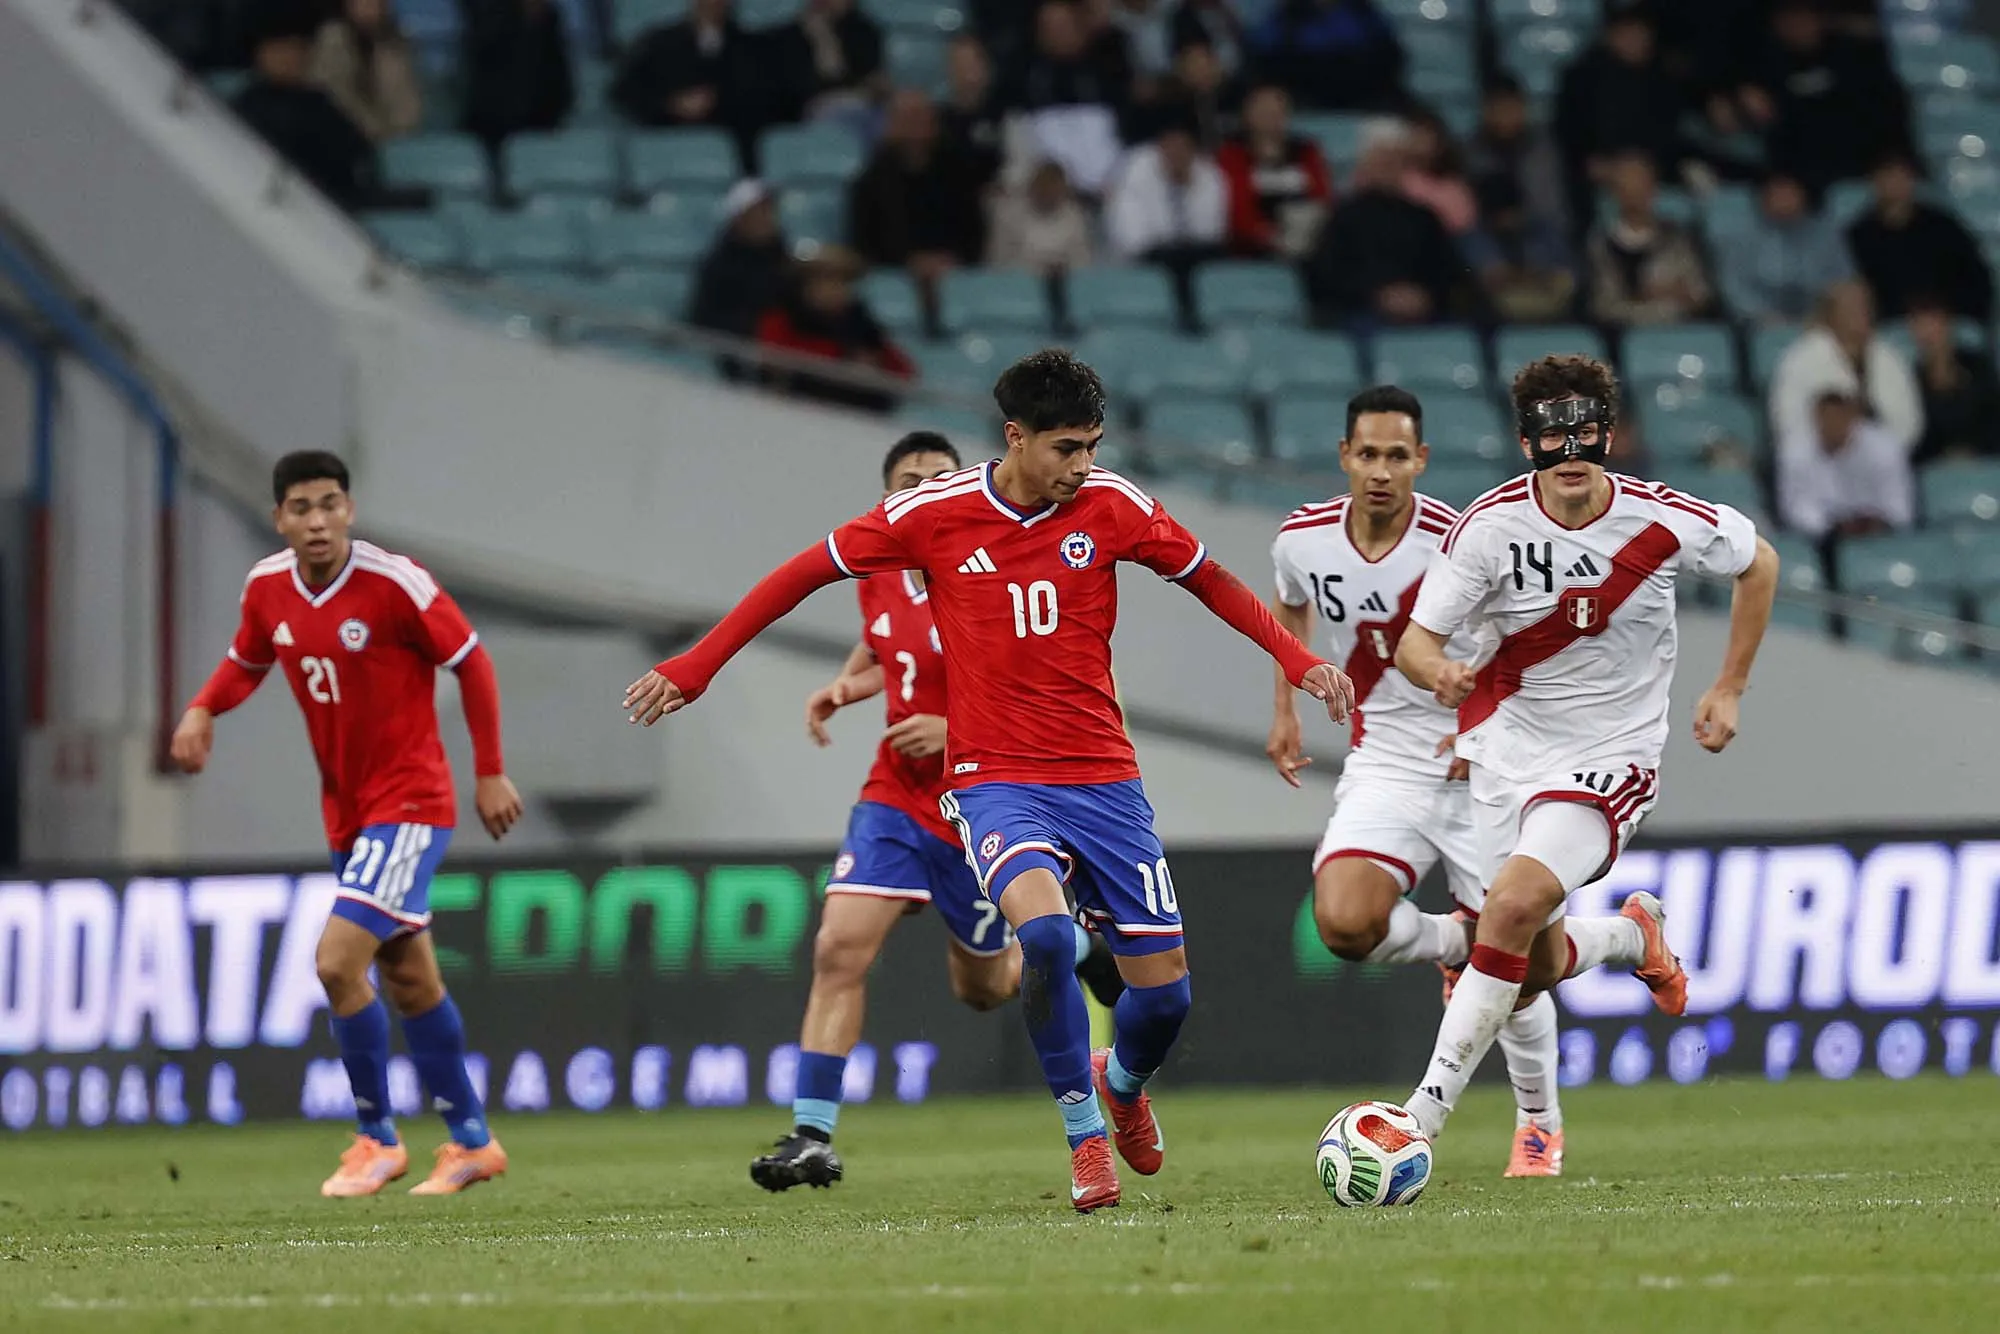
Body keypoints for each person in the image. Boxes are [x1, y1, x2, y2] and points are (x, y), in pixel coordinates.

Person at [622, 350, 1356, 1212]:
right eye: (1067, 449)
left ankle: (1119, 1085)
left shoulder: (1111, 506)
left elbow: (1212, 581)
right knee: (1041, 941)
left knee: (1166, 1002)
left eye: (1092, 446)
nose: (1083, 466)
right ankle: (1085, 1137)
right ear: (1016, 437)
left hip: (1105, 781)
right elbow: (800, 573)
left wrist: (1298, 660)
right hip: (993, 780)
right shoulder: (932, 515)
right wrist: (699, 665)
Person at [1266, 386, 1658, 1179]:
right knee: (1343, 923)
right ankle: (1457, 945)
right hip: (1385, 761)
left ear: (1422, 461)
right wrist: (1288, 709)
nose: (1381, 471)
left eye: (1397, 455)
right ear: (1346, 456)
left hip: (1480, 764)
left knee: (1529, 969)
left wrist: (1482, 723)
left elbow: (1522, 637)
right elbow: (1292, 612)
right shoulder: (1300, 540)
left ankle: (1544, 1112)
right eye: (1368, 454)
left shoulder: (1466, 535)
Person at [1389, 355, 1780, 1147]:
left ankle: (1418, 1119)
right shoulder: (1489, 528)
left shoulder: (1660, 516)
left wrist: (1730, 684)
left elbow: (1759, 561)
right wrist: (1443, 674)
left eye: (1585, 434)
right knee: (1529, 963)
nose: (1570, 453)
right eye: (1551, 436)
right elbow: (1415, 644)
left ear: (1609, 434)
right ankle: (1632, 938)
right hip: (1504, 752)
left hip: (1612, 753)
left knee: (1509, 908)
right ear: (1525, 441)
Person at [752, 434, 1126, 1190]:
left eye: (936, 478)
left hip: (983, 799)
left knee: (983, 990)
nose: (920, 490)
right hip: (894, 799)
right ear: (891, 499)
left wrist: (951, 730)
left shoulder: (1000, 571)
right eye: (905, 481)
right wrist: (846, 686)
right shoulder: (880, 572)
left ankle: (1080, 951)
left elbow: (1040, 690)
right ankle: (811, 1134)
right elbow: (887, 643)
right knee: (838, 948)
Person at [170, 451, 523, 1196]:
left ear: (350, 510)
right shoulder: (267, 587)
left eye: (331, 503)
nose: (319, 520)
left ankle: (376, 1139)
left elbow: (473, 661)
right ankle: (471, 1144)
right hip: (349, 812)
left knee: (336, 963)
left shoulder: (396, 583)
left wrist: (489, 769)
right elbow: (246, 660)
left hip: (411, 803)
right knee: (409, 978)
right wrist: (203, 707)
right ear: (281, 520)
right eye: (302, 508)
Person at [1736, 0, 1908, 197]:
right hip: (1799, 183)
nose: (1797, 26)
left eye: (1804, 17)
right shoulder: (1765, 69)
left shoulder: (1855, 59)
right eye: (1788, 19)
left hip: (1862, 171)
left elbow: (1886, 116)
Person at [1551, 1, 1685, 243]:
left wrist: (1647, 168)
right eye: (1628, 31)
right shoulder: (1580, 77)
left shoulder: (1663, 78)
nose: (1636, 39)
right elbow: (1567, 136)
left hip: (1654, 177)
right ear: (1609, 34)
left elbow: (1671, 136)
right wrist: (1600, 167)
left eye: (1642, 32)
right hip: (1600, 180)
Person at [1305, 131, 1462, 328]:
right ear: (1366, 166)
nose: (1389, 166)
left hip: (1424, 315)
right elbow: (1326, 276)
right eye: (1382, 159)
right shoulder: (1343, 216)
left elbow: (1450, 272)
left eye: (1395, 160)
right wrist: (1378, 296)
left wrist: (1425, 296)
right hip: (1361, 314)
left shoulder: (1425, 218)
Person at [847, 89, 989, 290]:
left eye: (920, 116)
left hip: (953, 270)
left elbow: (974, 228)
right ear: (891, 123)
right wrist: (908, 262)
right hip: (894, 273)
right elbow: (863, 240)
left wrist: (952, 259)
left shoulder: (958, 172)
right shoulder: (871, 180)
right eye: (906, 117)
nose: (914, 125)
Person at [1463, 75, 1574, 322]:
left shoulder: (1545, 150)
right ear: (1486, 111)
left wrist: (1523, 218)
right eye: (1498, 109)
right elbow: (1466, 212)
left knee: (1555, 245)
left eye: (1511, 108)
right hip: (1488, 234)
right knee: (1473, 243)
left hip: (1538, 232)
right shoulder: (1470, 153)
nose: (1506, 116)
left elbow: (1553, 210)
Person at [232, 25, 379, 209]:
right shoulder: (245, 106)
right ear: (261, 53)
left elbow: (357, 151)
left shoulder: (318, 101)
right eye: (282, 49)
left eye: (297, 48)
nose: (291, 57)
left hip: (330, 205)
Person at [754, 245, 915, 413]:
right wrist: (844, 357)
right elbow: (775, 357)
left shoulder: (860, 322)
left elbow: (904, 370)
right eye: (826, 279)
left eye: (843, 281)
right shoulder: (780, 317)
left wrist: (876, 364)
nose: (835, 289)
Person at [1769, 280, 1924, 454]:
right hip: (1822, 464)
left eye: (1865, 306)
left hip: (1881, 463)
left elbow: (1909, 423)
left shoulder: (1890, 358)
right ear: (1832, 313)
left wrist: (1876, 452)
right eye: (1851, 306)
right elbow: (1788, 422)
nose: (1861, 312)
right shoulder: (1800, 359)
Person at [610, 0, 772, 162]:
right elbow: (625, 92)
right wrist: (672, 105)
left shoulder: (750, 48)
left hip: (735, 152)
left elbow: (765, 99)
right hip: (667, 149)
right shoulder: (658, 44)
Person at [1846, 154, 1994, 324]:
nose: (1896, 184)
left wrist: (1945, 315)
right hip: (1887, 327)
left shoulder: (1943, 227)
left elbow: (1976, 279)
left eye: (1902, 176)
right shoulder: (1858, 236)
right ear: (1874, 182)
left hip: (1945, 324)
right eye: (1888, 176)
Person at [1585, 152, 1714, 326]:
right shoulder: (1601, 244)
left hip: (1680, 329)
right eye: (1628, 184)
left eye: (1643, 183)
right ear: (1616, 192)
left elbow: (1701, 294)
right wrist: (1644, 295)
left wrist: (1681, 295)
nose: (1637, 191)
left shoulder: (1678, 238)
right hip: (1628, 336)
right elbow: (1603, 306)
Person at [1777, 390, 1915, 543]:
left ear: (1852, 417)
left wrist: (1873, 522)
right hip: (1824, 540)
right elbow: (1796, 509)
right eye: (1826, 418)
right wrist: (1832, 527)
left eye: (1838, 417)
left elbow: (1900, 507)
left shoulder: (1884, 448)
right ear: (1815, 419)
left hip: (1881, 535)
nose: (1833, 424)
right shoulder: (1796, 451)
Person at [1215, 83, 1333, 260]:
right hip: (1252, 248)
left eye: (1277, 112)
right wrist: (1269, 237)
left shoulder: (1307, 151)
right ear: (1247, 115)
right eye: (1263, 112)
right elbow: (1237, 209)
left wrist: (1305, 235)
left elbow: (1322, 197)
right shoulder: (1232, 154)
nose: (1270, 118)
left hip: (1306, 240)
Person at [1717, 172, 1853, 325]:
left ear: (1803, 196)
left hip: (1821, 321)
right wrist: (1764, 316)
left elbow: (1844, 282)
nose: (1783, 200)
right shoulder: (1742, 237)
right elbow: (1734, 288)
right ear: (1763, 198)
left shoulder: (1825, 235)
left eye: (1789, 193)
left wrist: (1824, 314)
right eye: (1776, 194)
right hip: (1760, 325)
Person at [687, 179, 790, 377]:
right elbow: (704, 318)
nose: (764, 218)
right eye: (756, 212)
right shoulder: (718, 265)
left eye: (767, 210)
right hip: (737, 354)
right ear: (738, 218)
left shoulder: (783, 258)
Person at [1246, 0, 1405, 113]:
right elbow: (1262, 54)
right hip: (1301, 98)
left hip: (1360, 96)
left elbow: (1390, 56)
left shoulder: (1362, 12)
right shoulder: (1287, 16)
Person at [459, 0, 576, 152]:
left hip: (544, 126)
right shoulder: (490, 18)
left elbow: (560, 80)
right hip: (493, 130)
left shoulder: (551, 21)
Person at [310, 0, 421, 144]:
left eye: (377, 4)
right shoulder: (332, 40)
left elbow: (407, 97)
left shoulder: (394, 42)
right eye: (364, 3)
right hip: (346, 139)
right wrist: (374, 131)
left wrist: (399, 135)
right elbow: (336, 96)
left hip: (396, 142)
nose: (371, 10)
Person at [1909, 299, 2000, 464]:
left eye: (1936, 326)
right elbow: (1914, 436)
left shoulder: (1979, 367)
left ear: (1948, 326)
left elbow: (1994, 418)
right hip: (1935, 469)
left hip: (1985, 461)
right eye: (1922, 328)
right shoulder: (1910, 380)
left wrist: (1976, 451)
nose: (1930, 336)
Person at [774, 0, 886, 122]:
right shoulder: (787, 37)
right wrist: (821, 37)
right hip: (803, 119)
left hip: (855, 112)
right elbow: (827, 75)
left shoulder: (864, 30)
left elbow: (874, 84)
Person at [986, 160, 1096, 276]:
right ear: (1033, 186)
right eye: (1044, 186)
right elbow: (998, 264)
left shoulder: (1076, 218)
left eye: (1055, 188)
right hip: (1019, 284)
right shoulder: (1008, 216)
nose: (1048, 192)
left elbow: (1083, 263)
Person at [940, 34, 1005, 190]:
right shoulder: (938, 122)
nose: (967, 73)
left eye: (972, 64)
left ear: (987, 68)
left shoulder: (1008, 118)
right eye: (959, 65)